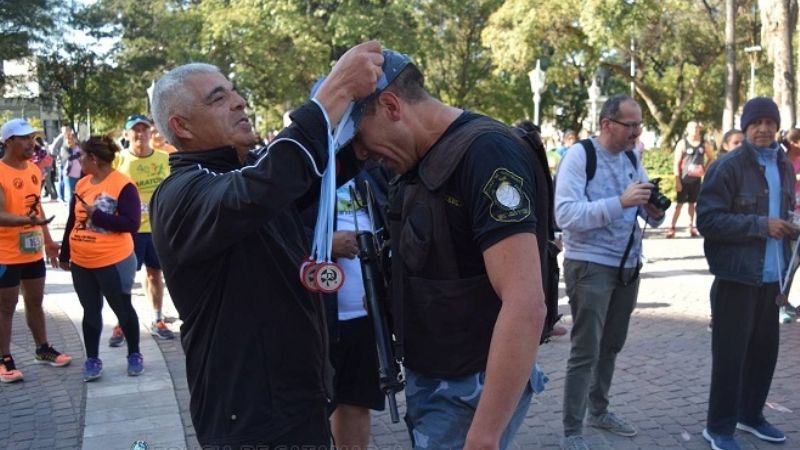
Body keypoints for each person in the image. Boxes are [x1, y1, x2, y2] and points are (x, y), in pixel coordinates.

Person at [148, 41, 384, 448]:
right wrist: (336, 89)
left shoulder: (244, 174)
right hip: (252, 421)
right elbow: (258, 189)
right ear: (181, 126)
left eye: (234, 91)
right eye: (218, 98)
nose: (239, 102)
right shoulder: (180, 194)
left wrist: (360, 134)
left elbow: (300, 180)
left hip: (299, 404)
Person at [351, 50, 549, 450]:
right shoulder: (419, 158)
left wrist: (485, 435)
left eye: (361, 137)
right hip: (441, 378)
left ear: (391, 106)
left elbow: (526, 302)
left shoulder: (486, 153)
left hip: (467, 388)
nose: (364, 153)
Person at [555, 95, 665, 450]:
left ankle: (598, 410)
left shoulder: (633, 157)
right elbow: (566, 215)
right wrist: (620, 202)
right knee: (586, 349)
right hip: (590, 264)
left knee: (612, 344)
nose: (636, 132)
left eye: (639, 125)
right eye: (630, 125)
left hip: (627, 264)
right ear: (607, 124)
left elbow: (643, 209)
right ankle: (573, 430)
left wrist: (654, 210)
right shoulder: (580, 156)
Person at [697, 97, 795, 450]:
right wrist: (761, 225)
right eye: (757, 123)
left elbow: (782, 210)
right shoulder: (728, 166)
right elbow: (707, 220)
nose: (764, 129)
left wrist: (791, 226)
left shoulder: (784, 164)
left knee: (764, 354)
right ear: (746, 126)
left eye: (770, 122)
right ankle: (718, 426)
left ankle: (751, 415)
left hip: (772, 279)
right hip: (736, 278)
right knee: (730, 355)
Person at [58, 135, 143, 381]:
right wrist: (65, 253)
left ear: (93, 158)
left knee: (122, 308)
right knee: (90, 310)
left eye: (82, 156)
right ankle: (93, 359)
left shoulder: (123, 184)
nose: (79, 160)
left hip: (113, 262)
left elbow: (132, 223)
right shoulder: (82, 184)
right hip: (82, 262)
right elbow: (73, 220)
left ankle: (134, 354)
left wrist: (99, 217)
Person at [0, 118, 72, 383]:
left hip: (32, 250)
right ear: (8, 142)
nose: (32, 143)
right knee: (6, 307)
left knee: (35, 301)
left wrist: (49, 241)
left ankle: (42, 349)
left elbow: (37, 208)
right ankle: (4, 359)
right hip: (5, 252)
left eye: (32, 137)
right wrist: (26, 222)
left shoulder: (33, 170)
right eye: (24, 138)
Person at [109, 114, 174, 345]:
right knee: (124, 279)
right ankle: (121, 323)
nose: (140, 134)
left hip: (158, 228)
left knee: (155, 274)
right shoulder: (118, 161)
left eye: (144, 129)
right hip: (129, 230)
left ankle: (157, 319)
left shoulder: (165, 159)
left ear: (150, 132)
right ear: (126, 134)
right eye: (135, 130)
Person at [667, 121, 715, 238]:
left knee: (693, 204)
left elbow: (711, 158)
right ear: (687, 129)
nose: (695, 130)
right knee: (679, 204)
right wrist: (677, 180)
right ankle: (672, 227)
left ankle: (691, 226)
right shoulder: (682, 143)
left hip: (696, 179)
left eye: (697, 127)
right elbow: (676, 162)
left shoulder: (704, 144)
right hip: (684, 178)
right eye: (692, 128)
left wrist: (704, 169)